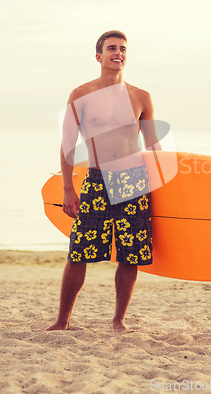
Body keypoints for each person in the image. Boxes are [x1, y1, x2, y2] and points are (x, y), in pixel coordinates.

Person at [45, 30, 161, 332]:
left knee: (130, 253)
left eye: (123, 48)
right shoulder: (81, 95)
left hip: (134, 181)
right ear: (99, 56)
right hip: (96, 179)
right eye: (111, 48)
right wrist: (68, 188)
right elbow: (67, 146)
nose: (118, 53)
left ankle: (119, 320)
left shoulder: (141, 97)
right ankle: (62, 320)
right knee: (79, 250)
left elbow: (154, 147)